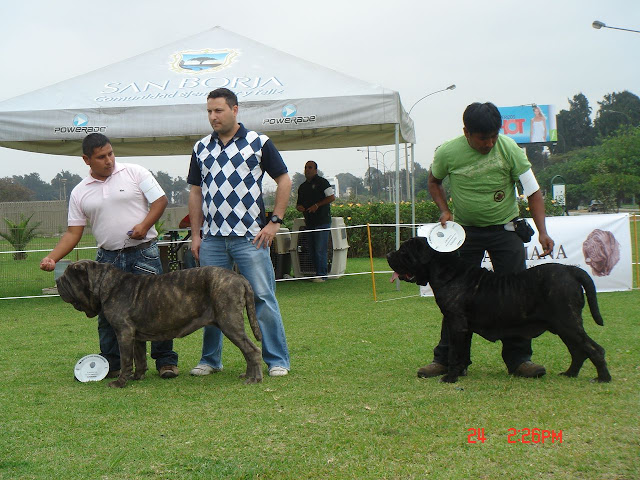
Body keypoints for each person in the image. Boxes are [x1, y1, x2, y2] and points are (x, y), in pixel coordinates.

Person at [421, 102, 555, 379]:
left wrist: (542, 231)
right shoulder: (448, 152)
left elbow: (533, 192)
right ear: (467, 133)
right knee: (455, 298)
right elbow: (433, 181)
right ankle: (447, 358)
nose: (489, 143)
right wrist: (444, 210)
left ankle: (519, 360)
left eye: (494, 136)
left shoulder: (510, 149)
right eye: (483, 138)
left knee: (516, 295)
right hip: (464, 234)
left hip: (505, 231)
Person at [40, 133, 179, 379]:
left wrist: (145, 226)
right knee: (107, 315)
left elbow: (160, 201)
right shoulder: (79, 192)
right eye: (101, 157)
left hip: (144, 253)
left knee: (158, 308)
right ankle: (111, 364)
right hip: (106, 262)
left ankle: (166, 362)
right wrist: (52, 257)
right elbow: (74, 232)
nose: (109, 160)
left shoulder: (135, 172)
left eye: (111, 154)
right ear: (86, 160)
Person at [187, 87, 291, 378]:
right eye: (209, 111)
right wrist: (196, 235)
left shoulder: (259, 142)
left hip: (250, 237)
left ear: (235, 110)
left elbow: (284, 180)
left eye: (218, 110)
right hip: (212, 239)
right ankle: (210, 360)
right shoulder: (200, 148)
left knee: (262, 297)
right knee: (209, 301)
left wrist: (275, 222)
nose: (213, 116)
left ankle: (277, 360)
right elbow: (195, 193)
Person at [296, 161, 336, 282]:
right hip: (309, 222)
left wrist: (317, 205)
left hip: (322, 221)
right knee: (312, 249)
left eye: (310, 167)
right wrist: (300, 208)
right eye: (306, 168)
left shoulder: (323, 182)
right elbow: (298, 204)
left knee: (320, 249)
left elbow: (332, 197)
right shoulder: (302, 187)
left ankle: (322, 275)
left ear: (315, 170)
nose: (307, 170)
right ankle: (316, 273)